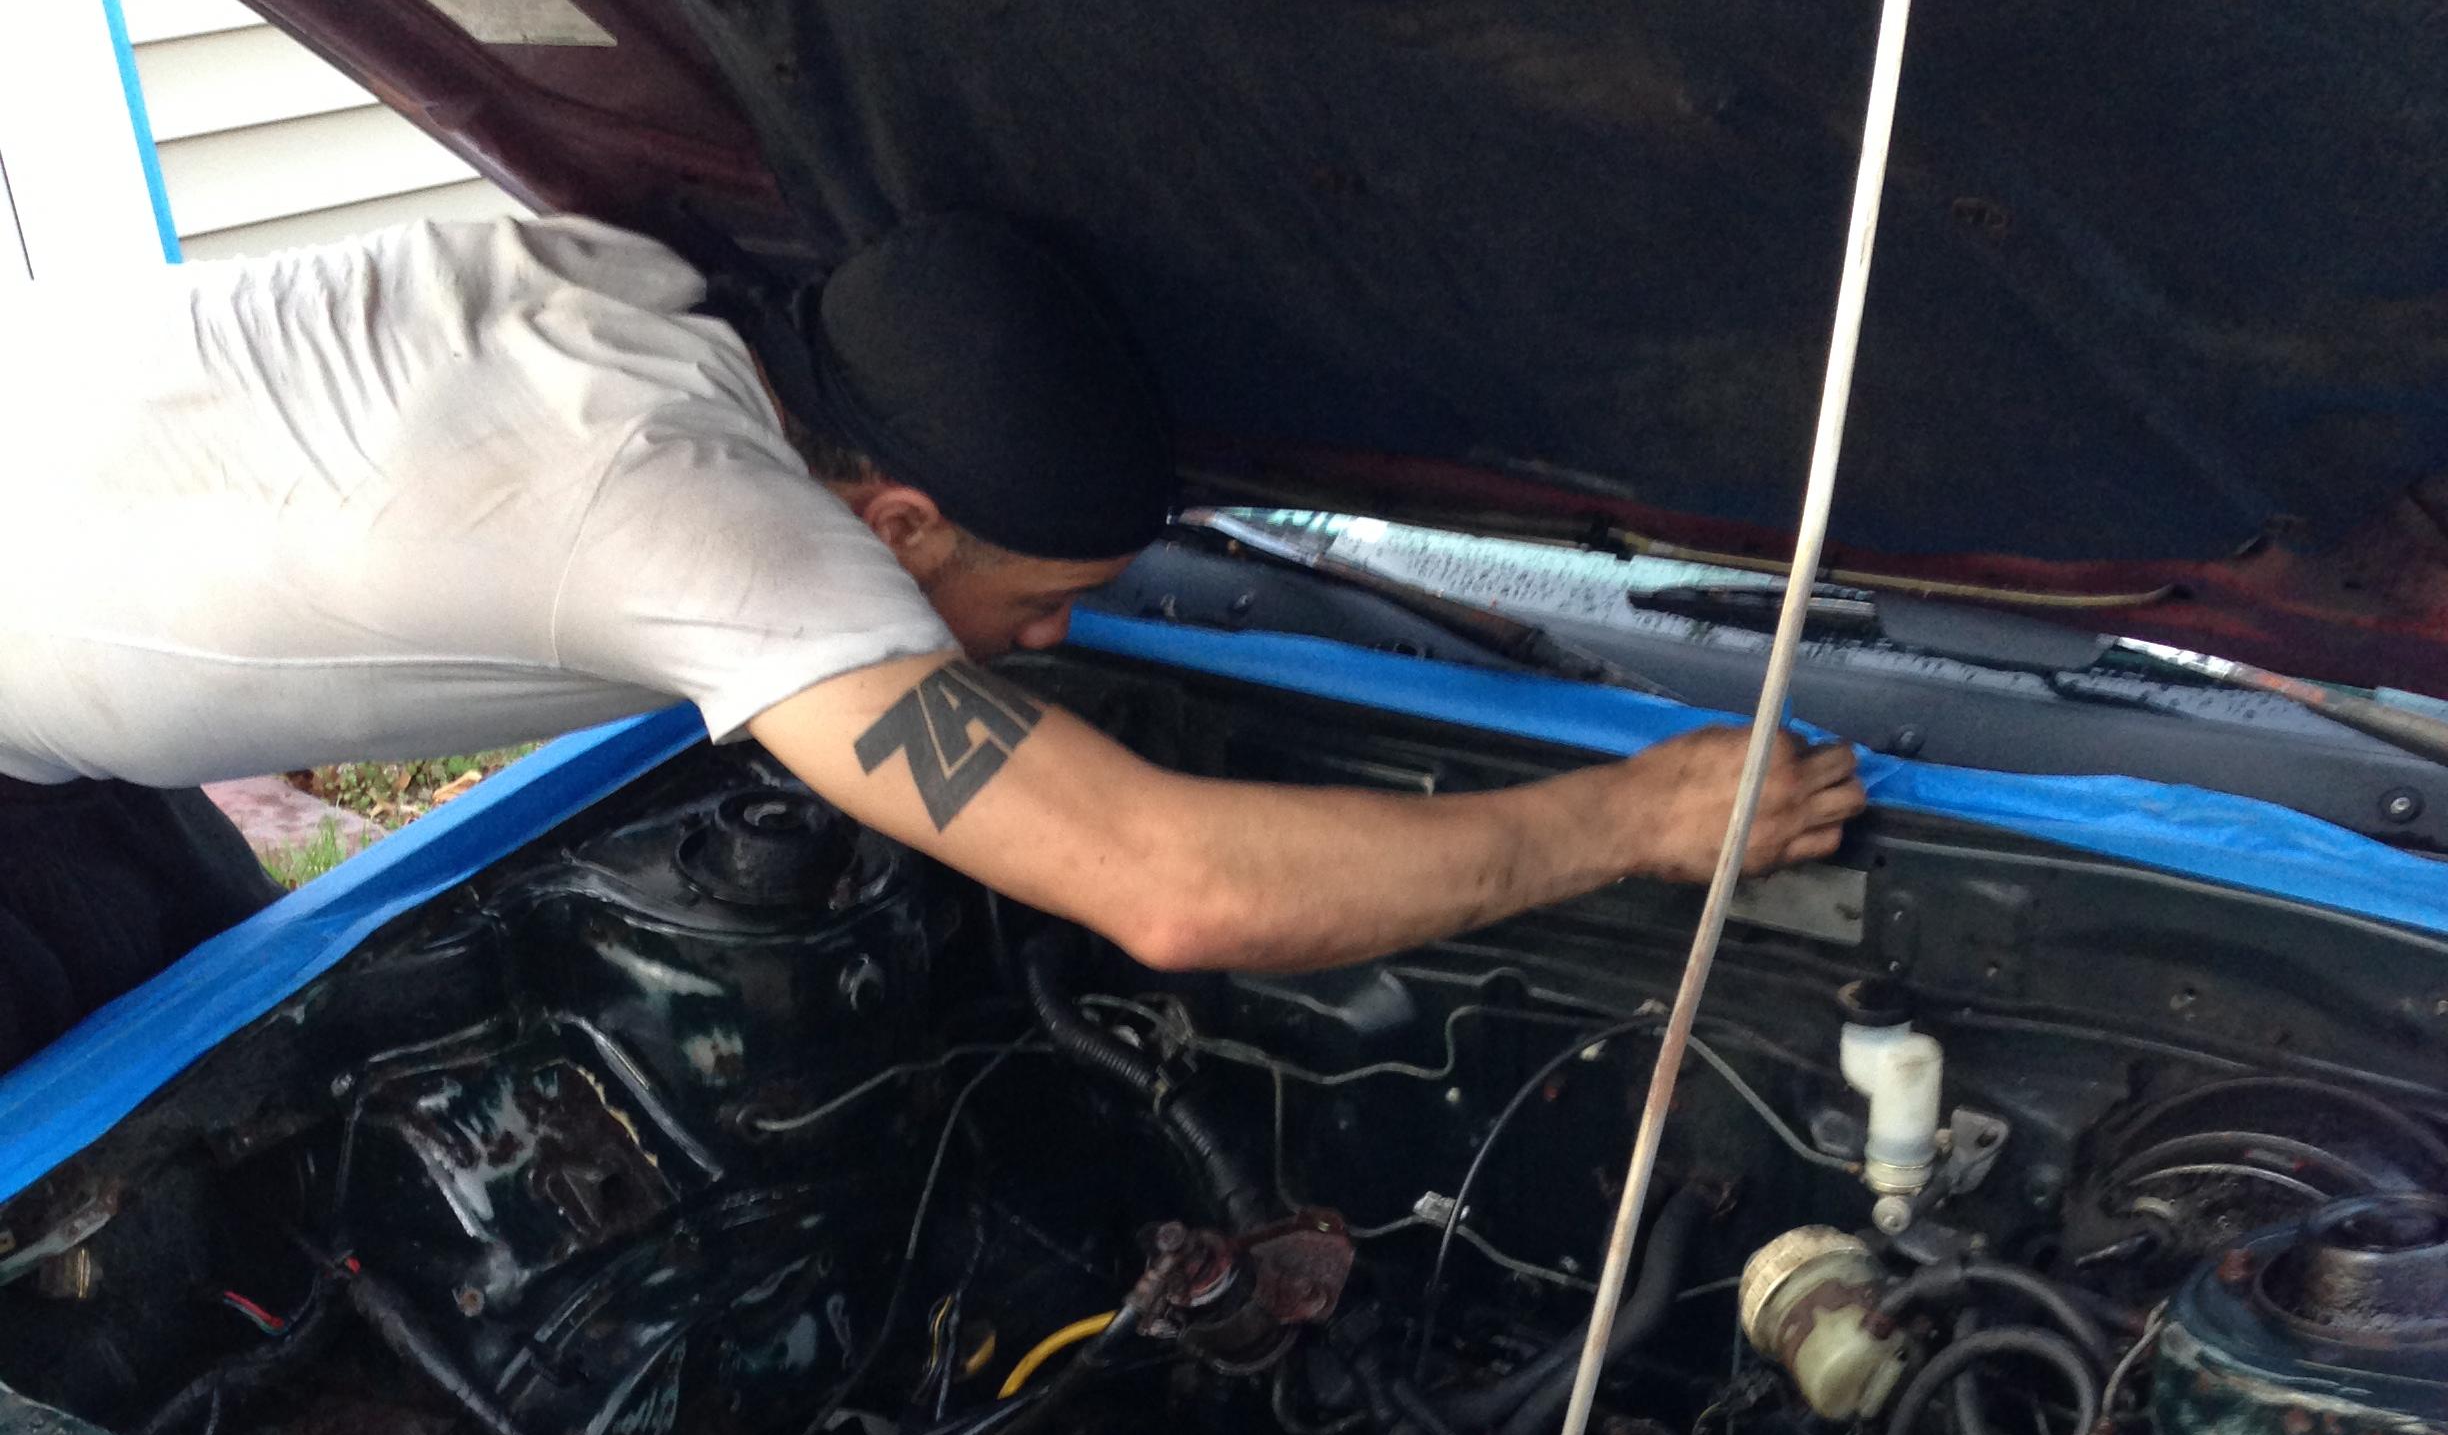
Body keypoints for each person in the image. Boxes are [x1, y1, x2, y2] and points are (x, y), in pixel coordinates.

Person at [0, 207, 1863, 1069]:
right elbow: (1174, 888)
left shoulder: (652, 290)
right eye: (1041, 600)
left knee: (171, 1028)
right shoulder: (694, 525)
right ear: (895, 522)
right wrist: (1637, 816)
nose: (1056, 637)